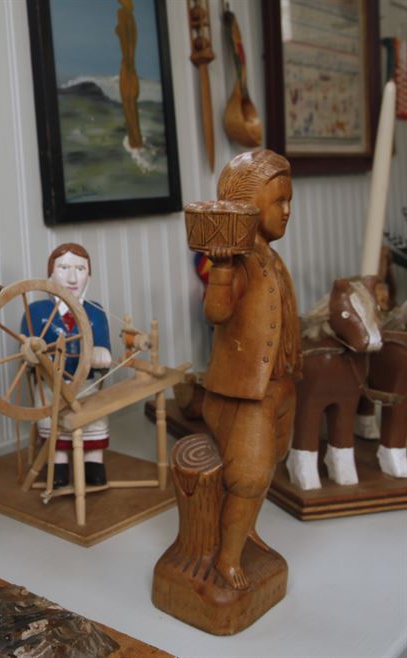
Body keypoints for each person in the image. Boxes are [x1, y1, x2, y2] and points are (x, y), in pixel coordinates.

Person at [202, 150, 301, 590]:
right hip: (244, 395)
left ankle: (246, 532)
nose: (287, 210)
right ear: (247, 205)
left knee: (271, 464)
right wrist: (221, 268)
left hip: (276, 386)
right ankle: (226, 558)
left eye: (289, 200)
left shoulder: (271, 259)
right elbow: (217, 312)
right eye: (279, 201)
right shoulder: (239, 262)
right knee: (249, 475)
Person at [21, 243, 112, 487]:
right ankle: (57, 463)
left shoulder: (95, 311)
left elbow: (103, 343)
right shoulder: (37, 311)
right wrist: (33, 354)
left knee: (94, 416)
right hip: (50, 385)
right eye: (64, 268)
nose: (72, 278)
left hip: (87, 384)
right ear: (50, 274)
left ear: (89, 275)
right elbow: (26, 344)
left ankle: (93, 462)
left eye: (80, 269)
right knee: (51, 419)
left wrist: (101, 352)